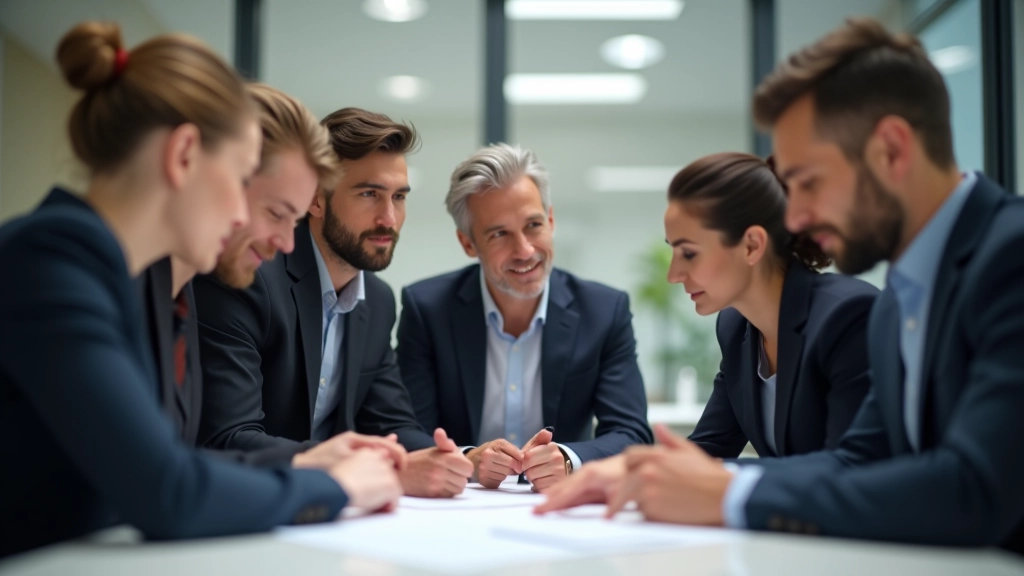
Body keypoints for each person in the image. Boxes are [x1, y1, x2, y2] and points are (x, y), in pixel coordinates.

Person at [543, 17, 1024, 553]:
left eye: (809, 183)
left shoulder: (1009, 256)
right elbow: (857, 462)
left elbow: (978, 488)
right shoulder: (899, 304)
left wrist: (729, 495)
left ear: (891, 149)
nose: (793, 218)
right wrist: (656, 475)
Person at [0, 22, 402, 558]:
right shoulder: (53, 257)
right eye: (240, 180)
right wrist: (340, 488)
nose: (243, 215)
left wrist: (306, 461)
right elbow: (167, 490)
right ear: (184, 154)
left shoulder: (160, 292)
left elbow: (168, 459)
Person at [194, 107, 474, 498]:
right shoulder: (249, 277)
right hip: (251, 503)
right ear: (315, 200)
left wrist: (463, 457)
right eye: (369, 194)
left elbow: (392, 424)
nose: (389, 218)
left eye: (398, 197)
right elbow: (227, 437)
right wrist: (357, 468)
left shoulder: (376, 300)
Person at [397, 143, 652, 491]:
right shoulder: (427, 309)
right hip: (460, 509)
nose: (525, 251)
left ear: (551, 219)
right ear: (468, 243)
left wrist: (568, 458)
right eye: (500, 233)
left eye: (533, 225)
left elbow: (631, 434)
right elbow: (405, 429)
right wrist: (466, 459)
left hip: (561, 508)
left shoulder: (604, 311)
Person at [673, 152, 878, 459]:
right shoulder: (735, 326)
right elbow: (710, 449)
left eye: (689, 253)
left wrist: (722, 480)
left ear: (752, 246)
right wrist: (631, 473)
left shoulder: (848, 316)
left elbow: (850, 467)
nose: (674, 274)